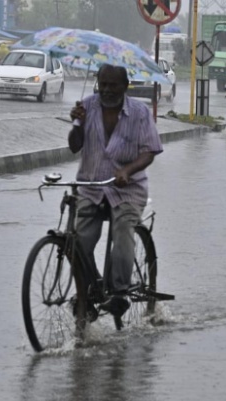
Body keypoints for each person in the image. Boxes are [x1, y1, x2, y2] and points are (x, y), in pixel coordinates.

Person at [68, 64, 163, 319]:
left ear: (125, 86)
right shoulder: (86, 106)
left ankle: (120, 293)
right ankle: (89, 288)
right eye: (103, 84)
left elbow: (150, 151)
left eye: (113, 85)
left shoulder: (140, 113)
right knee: (78, 242)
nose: (107, 90)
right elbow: (74, 147)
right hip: (92, 187)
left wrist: (128, 171)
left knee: (122, 232)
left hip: (127, 190)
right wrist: (77, 125)